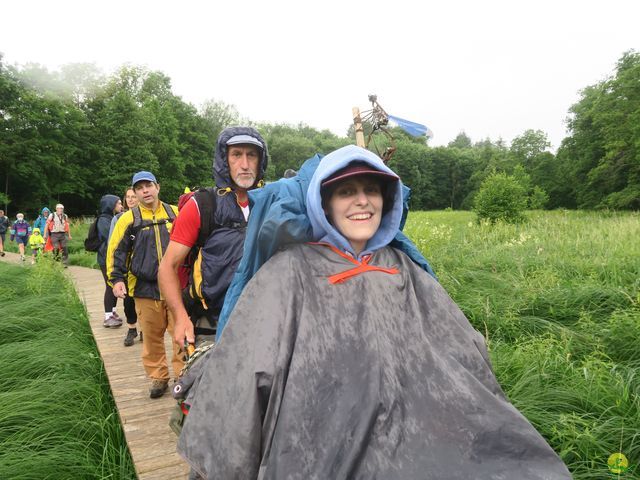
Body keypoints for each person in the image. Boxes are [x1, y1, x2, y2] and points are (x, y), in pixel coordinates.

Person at [177, 145, 572, 479]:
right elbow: (244, 374)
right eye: (346, 191)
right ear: (325, 204)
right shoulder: (288, 273)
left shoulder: (404, 269)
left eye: (371, 189)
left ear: (388, 199)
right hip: (318, 448)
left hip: (419, 439)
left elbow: (465, 353)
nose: (362, 200)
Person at [159, 126, 268, 349]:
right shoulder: (202, 205)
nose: (245, 164)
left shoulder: (273, 203)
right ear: (224, 160)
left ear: (261, 160)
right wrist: (180, 317)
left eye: (252, 155)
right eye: (237, 154)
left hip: (265, 320)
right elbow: (167, 267)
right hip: (211, 324)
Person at [107, 171, 183, 398]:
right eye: (139, 188)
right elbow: (116, 252)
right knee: (151, 336)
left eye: (148, 185)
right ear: (135, 192)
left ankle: (183, 375)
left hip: (177, 286)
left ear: (157, 187)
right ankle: (159, 378)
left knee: (180, 334)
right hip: (144, 288)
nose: (145, 191)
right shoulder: (127, 220)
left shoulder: (176, 213)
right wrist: (117, 279)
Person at [109, 187, 141, 346]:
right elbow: (113, 244)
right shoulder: (120, 218)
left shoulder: (146, 218)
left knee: (145, 300)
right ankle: (132, 328)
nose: (131, 200)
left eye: (133, 196)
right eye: (128, 197)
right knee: (129, 300)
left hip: (143, 266)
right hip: (126, 267)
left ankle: (144, 330)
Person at [97, 194, 124, 328]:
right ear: (111, 205)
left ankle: (112, 312)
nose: (121, 206)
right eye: (118, 203)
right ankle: (108, 316)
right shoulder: (104, 220)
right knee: (110, 285)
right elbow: (112, 238)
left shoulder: (109, 218)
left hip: (107, 257)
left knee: (112, 284)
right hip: (105, 258)